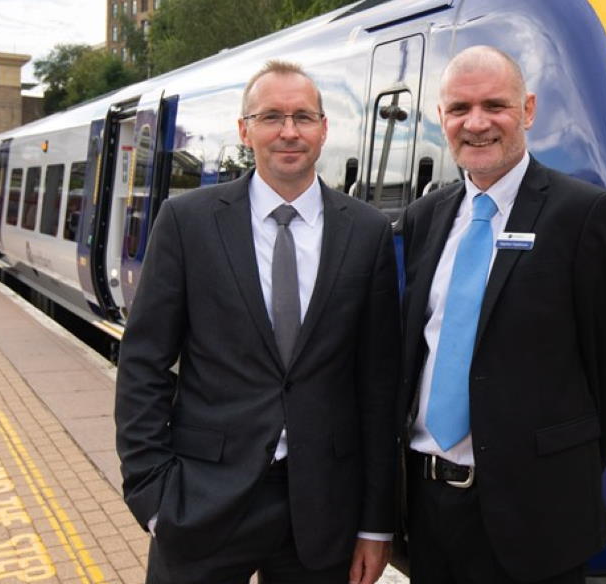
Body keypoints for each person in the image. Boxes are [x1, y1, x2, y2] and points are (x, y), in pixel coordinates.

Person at [115, 60, 399, 584]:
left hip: (323, 511)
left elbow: (379, 387)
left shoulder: (367, 232)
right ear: (244, 130)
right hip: (201, 501)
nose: (289, 132)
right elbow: (143, 363)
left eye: (303, 117)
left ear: (323, 129)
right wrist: (152, 493)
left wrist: (376, 524)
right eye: (271, 117)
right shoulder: (187, 222)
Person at [398, 46, 606, 583]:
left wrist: (560, 467)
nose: (477, 122)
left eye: (496, 105)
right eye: (460, 108)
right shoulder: (425, 217)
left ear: (529, 110)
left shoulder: (584, 215)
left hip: (536, 515)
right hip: (428, 509)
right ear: (441, 118)